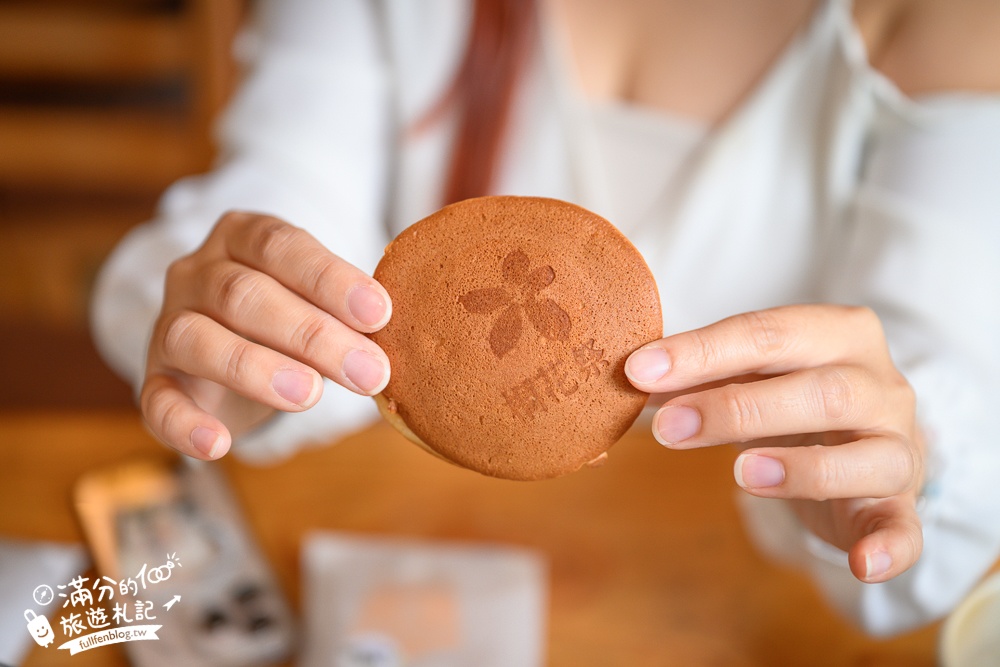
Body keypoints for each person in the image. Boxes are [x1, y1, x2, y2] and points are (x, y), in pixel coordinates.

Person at [91, 0, 1000, 636]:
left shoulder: (951, 18)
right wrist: (249, 336)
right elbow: (285, 194)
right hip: (404, 551)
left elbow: (948, 348)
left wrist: (901, 447)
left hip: (705, 598)